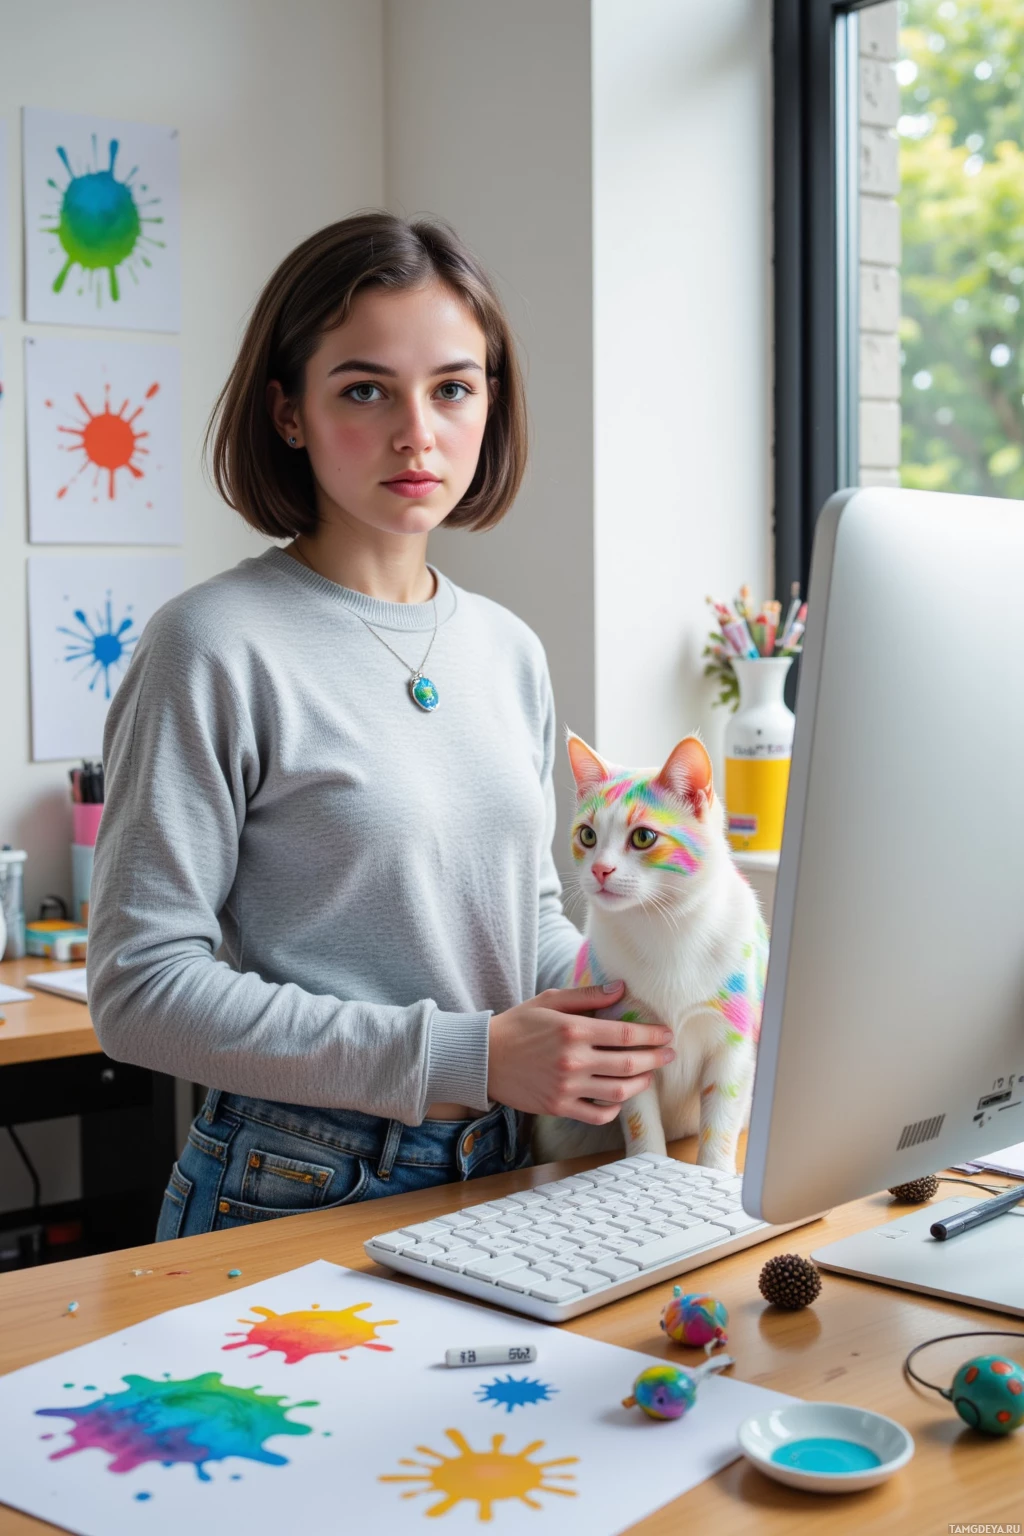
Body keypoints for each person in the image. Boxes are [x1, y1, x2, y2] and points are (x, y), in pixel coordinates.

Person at [87, 211, 676, 1239]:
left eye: (453, 387)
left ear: (490, 401)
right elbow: (141, 990)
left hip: (501, 1160)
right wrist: (469, 1055)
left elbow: (521, 913)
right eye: (365, 388)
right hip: (289, 1176)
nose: (418, 431)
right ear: (288, 413)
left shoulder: (508, 649)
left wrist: (644, 1003)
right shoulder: (211, 644)